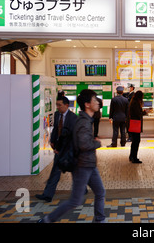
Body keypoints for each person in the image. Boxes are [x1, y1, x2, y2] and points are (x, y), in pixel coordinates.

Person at [39, 89, 106, 223]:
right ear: (87, 104)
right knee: (75, 200)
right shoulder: (83, 122)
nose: (97, 103)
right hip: (82, 166)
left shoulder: (86, 120)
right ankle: (47, 219)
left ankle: (100, 219)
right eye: (94, 100)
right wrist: (97, 143)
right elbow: (84, 145)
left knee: (100, 192)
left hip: (90, 165)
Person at [36, 95, 77, 202]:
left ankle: (82, 189)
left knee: (76, 171)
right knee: (55, 171)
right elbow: (55, 129)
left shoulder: (73, 118)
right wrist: (53, 141)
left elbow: (72, 136)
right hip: (59, 148)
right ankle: (48, 194)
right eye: (57, 105)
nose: (58, 107)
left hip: (69, 149)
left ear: (67, 105)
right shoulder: (57, 114)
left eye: (60, 105)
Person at [127, 90, 146, 163]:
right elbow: (138, 113)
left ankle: (132, 156)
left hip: (133, 124)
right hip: (136, 124)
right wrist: (144, 112)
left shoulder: (133, 102)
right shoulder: (136, 103)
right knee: (136, 141)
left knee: (134, 141)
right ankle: (134, 157)